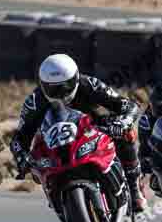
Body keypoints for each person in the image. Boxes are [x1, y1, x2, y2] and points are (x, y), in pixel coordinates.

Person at [10, 54, 146, 211]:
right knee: (35, 166)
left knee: (127, 133)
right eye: (53, 89)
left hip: (91, 130)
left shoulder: (89, 84)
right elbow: (18, 138)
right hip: (54, 140)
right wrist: (21, 158)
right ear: (42, 85)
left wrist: (124, 121)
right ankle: (57, 200)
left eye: (65, 87)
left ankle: (134, 188)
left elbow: (127, 105)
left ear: (75, 79)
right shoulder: (34, 102)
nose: (60, 94)